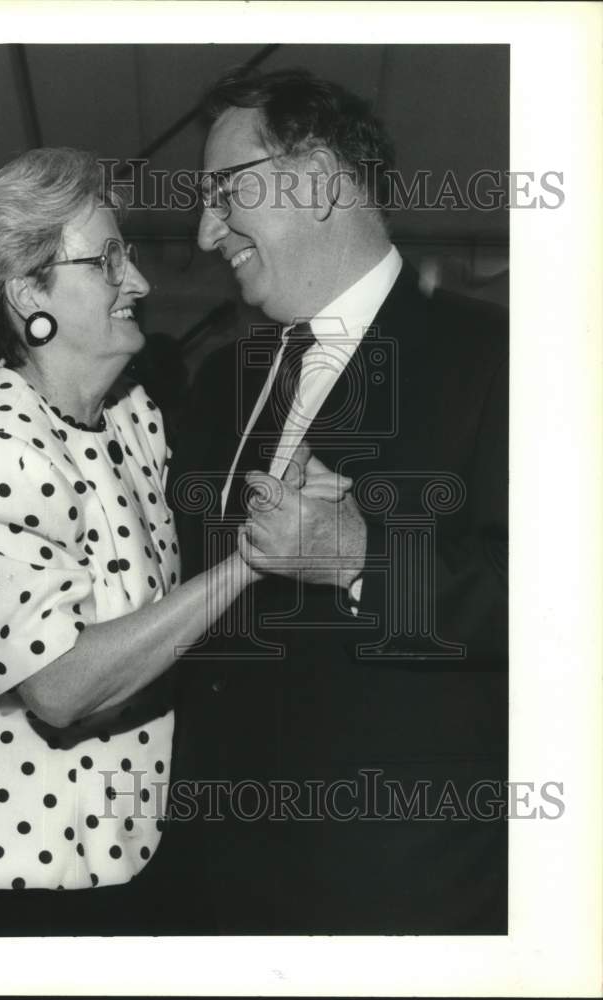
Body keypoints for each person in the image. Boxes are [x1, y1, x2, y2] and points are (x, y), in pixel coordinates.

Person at [168, 69, 508, 934]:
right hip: (212, 884)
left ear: (317, 179)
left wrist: (358, 557)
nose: (207, 232)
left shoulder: (501, 357)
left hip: (391, 891)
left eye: (224, 192)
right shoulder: (218, 385)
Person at [0, 147, 269, 936]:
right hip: (16, 874)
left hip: (131, 850)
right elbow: (62, 686)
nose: (139, 283)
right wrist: (247, 563)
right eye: (106, 260)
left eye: (130, 257)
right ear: (27, 295)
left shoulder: (130, 418)